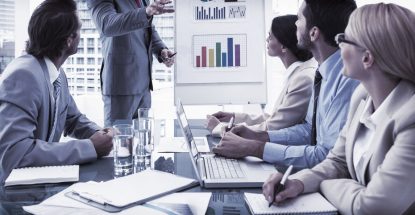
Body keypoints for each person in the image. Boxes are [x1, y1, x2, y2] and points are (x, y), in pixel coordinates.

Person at [263, 3, 415, 214]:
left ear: (367, 58)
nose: (338, 44)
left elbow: (371, 207)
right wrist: (298, 183)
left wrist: (325, 184)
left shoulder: (411, 119)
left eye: (344, 39)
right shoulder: (362, 98)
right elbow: (337, 161)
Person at [213, 0, 359, 170]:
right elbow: (309, 131)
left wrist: (255, 148)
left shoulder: (347, 79)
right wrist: (259, 136)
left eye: (299, 19)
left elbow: (327, 157)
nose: (295, 24)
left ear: (313, 33)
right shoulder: (323, 72)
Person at [0, 0, 114, 183]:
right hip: (14, 195)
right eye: (79, 29)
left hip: (42, 184)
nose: (81, 35)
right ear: (68, 40)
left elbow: (73, 119)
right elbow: (15, 153)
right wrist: (90, 147)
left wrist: (103, 135)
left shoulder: (56, 73)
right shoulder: (23, 75)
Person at [206, 15, 316, 136]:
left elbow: (273, 126)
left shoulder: (303, 79)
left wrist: (220, 128)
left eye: (270, 37)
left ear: (283, 46)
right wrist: (234, 117)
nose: (267, 40)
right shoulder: (296, 73)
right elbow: (275, 117)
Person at [87, 0, 175, 127]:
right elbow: (107, 25)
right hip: (121, 87)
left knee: (143, 143)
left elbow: (147, 27)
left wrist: (161, 49)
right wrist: (146, 12)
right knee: (119, 143)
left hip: (144, 86)